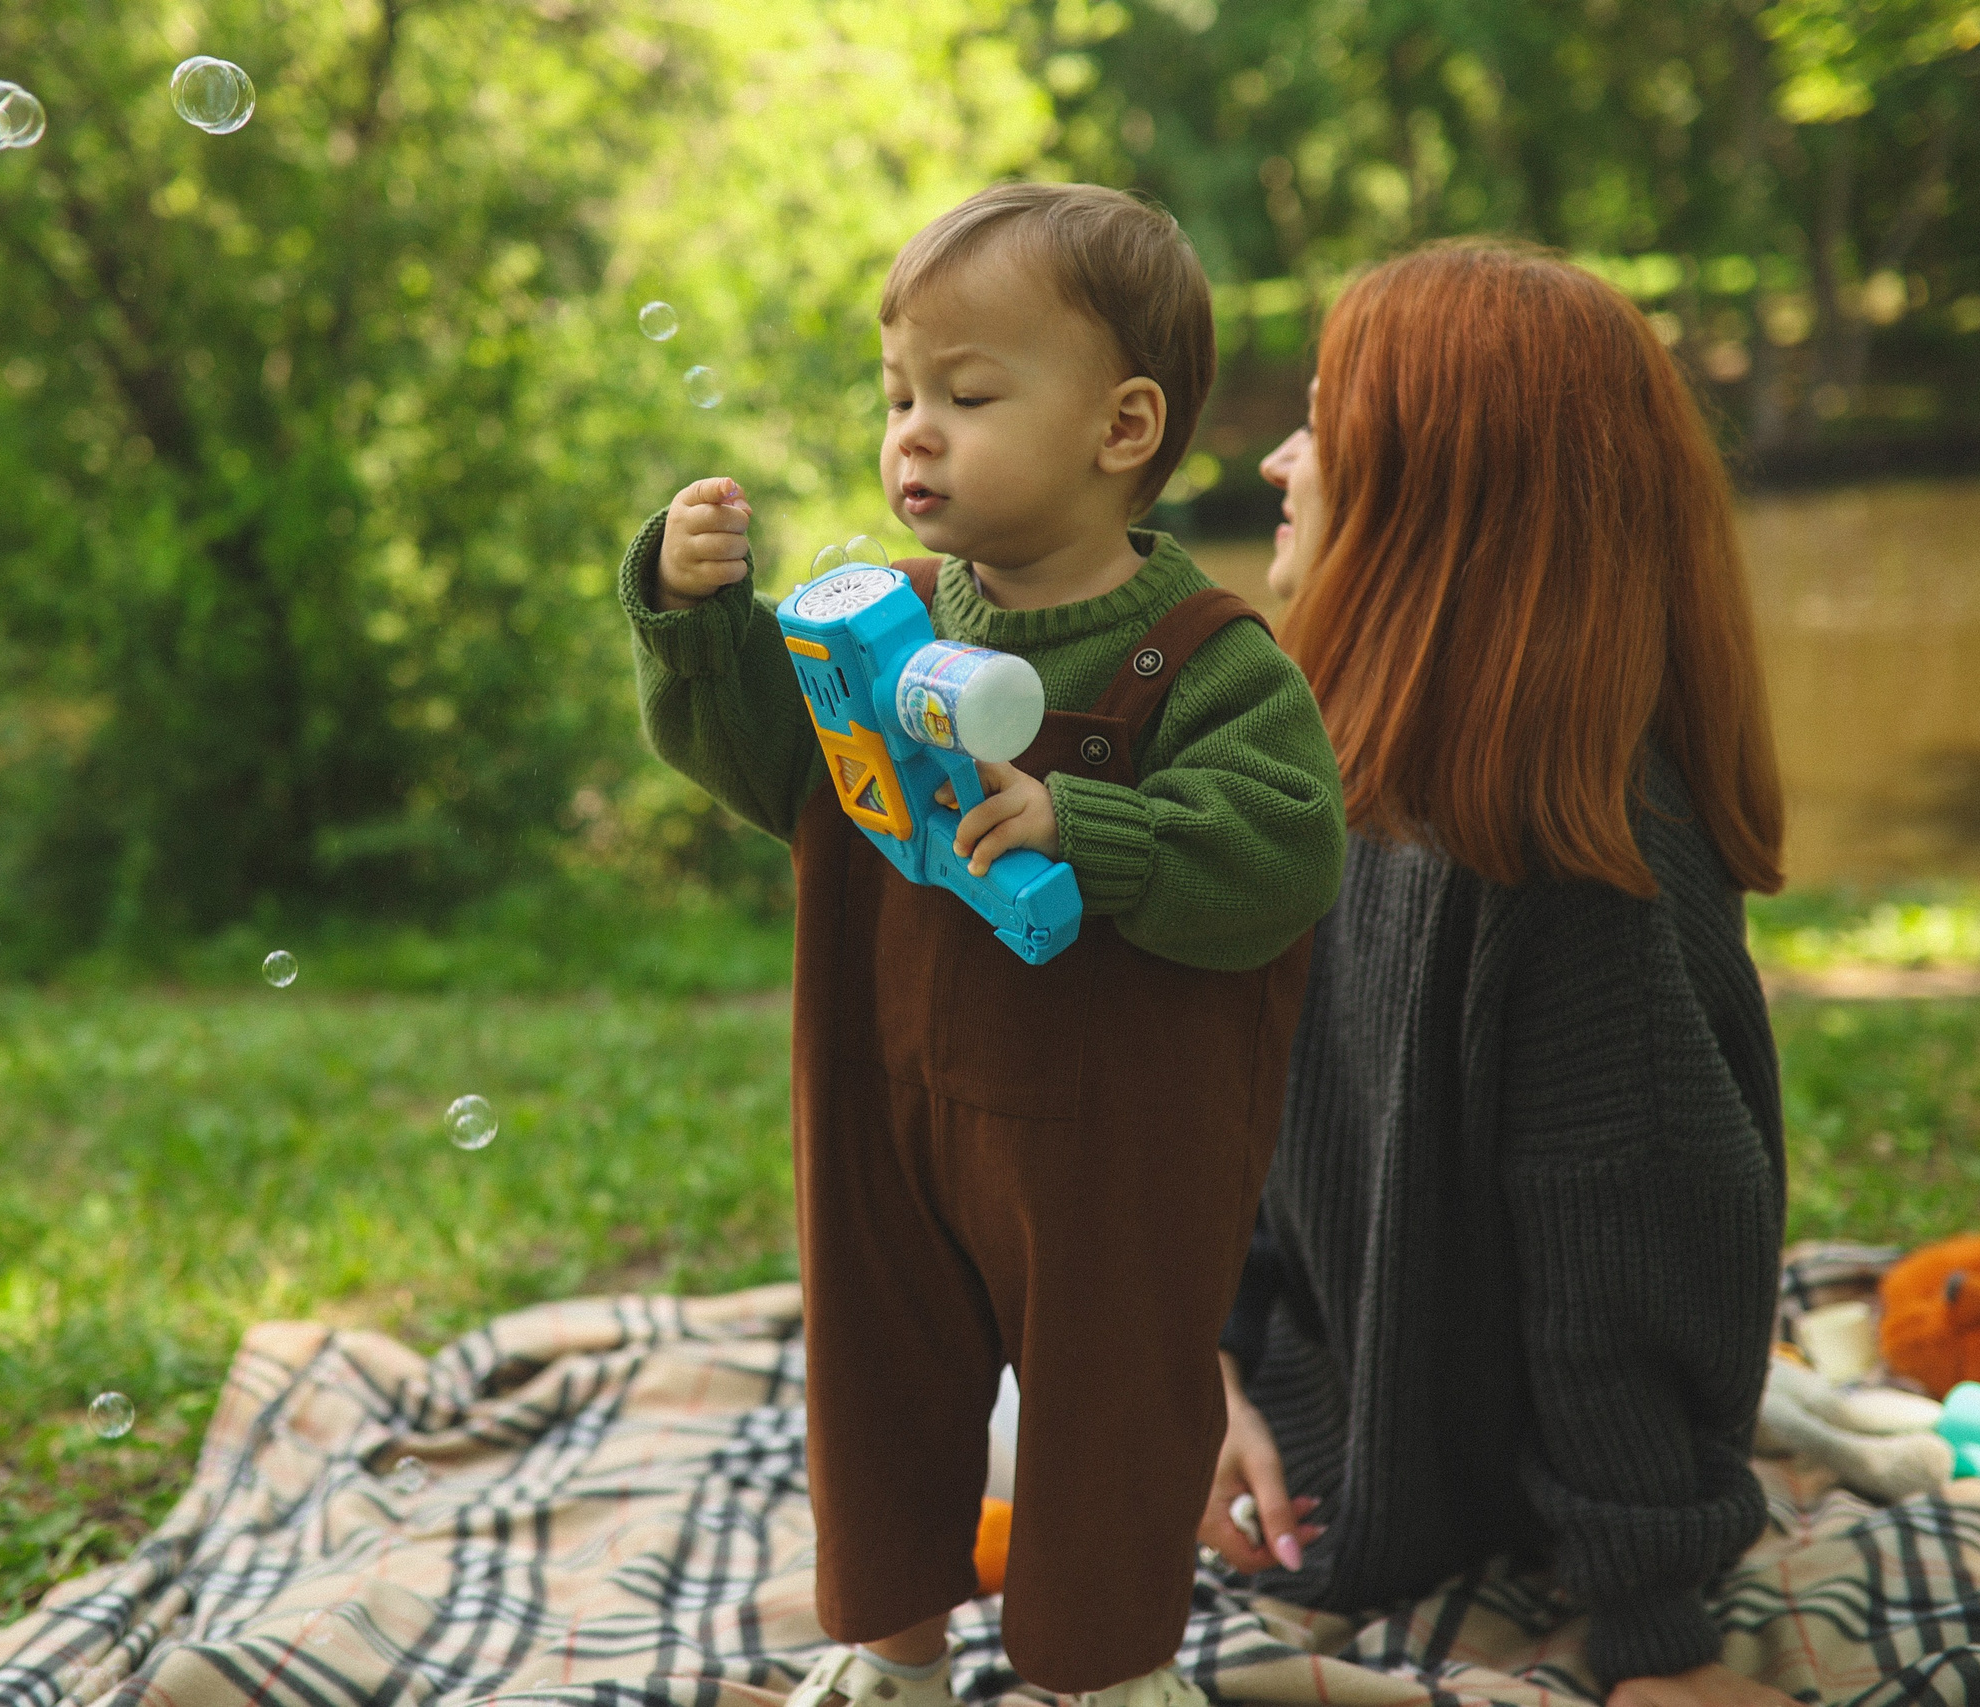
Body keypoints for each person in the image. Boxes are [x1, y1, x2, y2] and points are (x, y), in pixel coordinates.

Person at [619, 182, 1347, 1707]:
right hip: (883, 1094)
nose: (912, 434)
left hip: (1113, 1135)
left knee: (1113, 1399)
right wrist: (698, 625)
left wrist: (1096, 826)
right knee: (879, 1375)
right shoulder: (869, 620)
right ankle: (894, 1649)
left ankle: (1109, 1666)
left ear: (1122, 426)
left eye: (965, 393)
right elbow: (774, 774)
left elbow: (1285, 856)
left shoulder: (1209, 660)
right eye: (897, 395)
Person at [1206, 241, 1795, 1707]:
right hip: (1308, 1421)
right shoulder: (1331, 794)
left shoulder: (1574, 865)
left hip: (1429, 1494)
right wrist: (1193, 1370)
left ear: (1432, 497)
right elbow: (1246, 1146)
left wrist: (1657, 1634)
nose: (1280, 461)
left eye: (1325, 424)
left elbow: (1623, 1254)